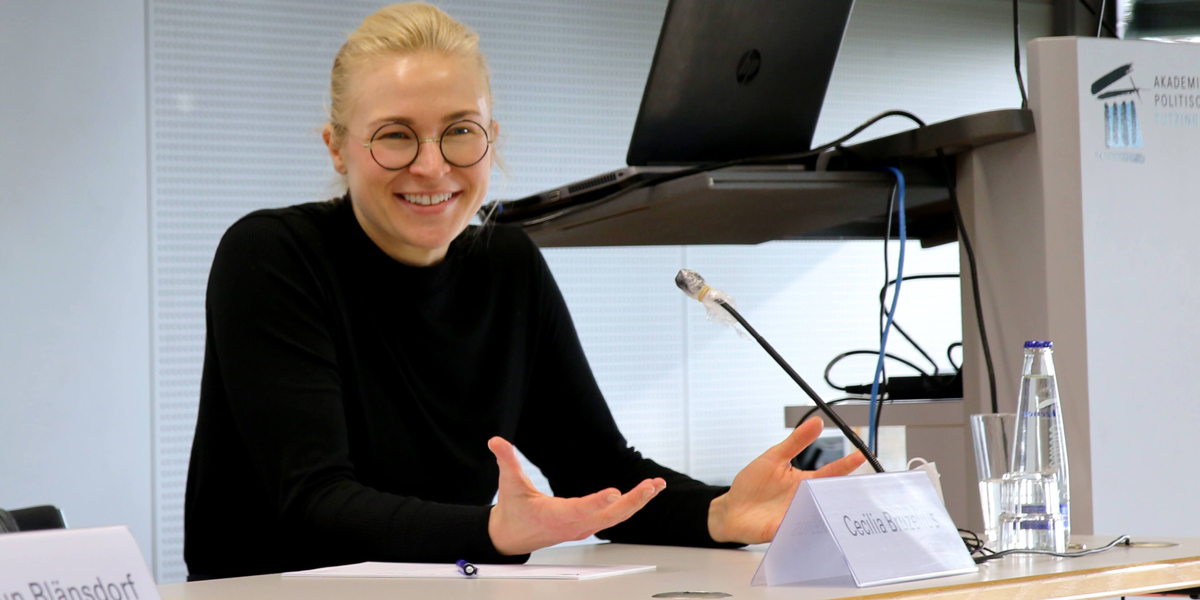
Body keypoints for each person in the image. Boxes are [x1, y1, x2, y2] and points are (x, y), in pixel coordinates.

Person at [183, 2, 865, 580]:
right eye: (395, 136)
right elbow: (314, 502)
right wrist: (496, 533)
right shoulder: (272, 257)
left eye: (459, 133)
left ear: (490, 138)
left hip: (450, 589)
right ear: (337, 147)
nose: (431, 166)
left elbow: (596, 467)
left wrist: (718, 513)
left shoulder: (505, 262)